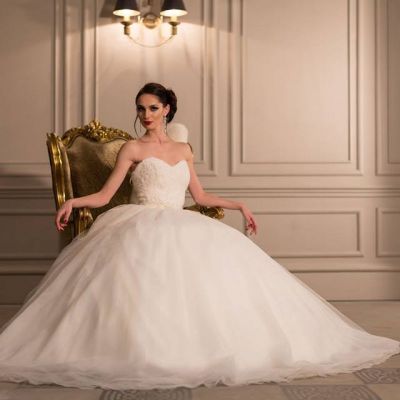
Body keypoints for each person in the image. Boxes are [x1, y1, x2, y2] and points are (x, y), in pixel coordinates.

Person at [0, 82, 399, 391]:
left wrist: (239, 204)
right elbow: (105, 196)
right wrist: (73, 201)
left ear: (167, 109)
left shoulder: (183, 149)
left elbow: (201, 197)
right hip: (138, 224)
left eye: (152, 107)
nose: (145, 115)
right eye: (140, 108)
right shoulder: (131, 149)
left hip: (180, 222)